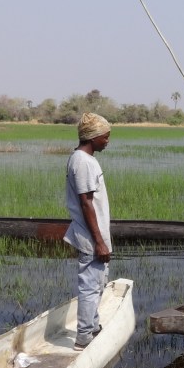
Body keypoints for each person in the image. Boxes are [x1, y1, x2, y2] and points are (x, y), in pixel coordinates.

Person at [64, 112, 112, 351]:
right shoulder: (83, 162)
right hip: (90, 237)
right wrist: (99, 242)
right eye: (105, 136)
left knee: (99, 283)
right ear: (93, 137)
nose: (108, 141)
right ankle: (83, 338)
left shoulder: (85, 159)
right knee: (90, 287)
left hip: (94, 235)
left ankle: (93, 326)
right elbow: (86, 202)